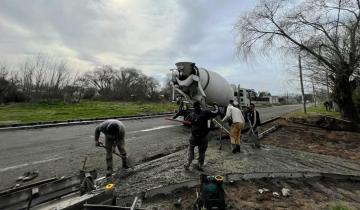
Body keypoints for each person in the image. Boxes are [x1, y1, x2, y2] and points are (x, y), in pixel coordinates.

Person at [184, 101, 219, 171]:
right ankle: (200, 165)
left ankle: (188, 163)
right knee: (202, 152)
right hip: (203, 136)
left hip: (194, 136)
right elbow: (215, 112)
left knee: (191, 149)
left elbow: (186, 121)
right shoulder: (206, 112)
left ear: (193, 106)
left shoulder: (191, 113)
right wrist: (215, 106)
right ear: (200, 106)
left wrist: (192, 123)